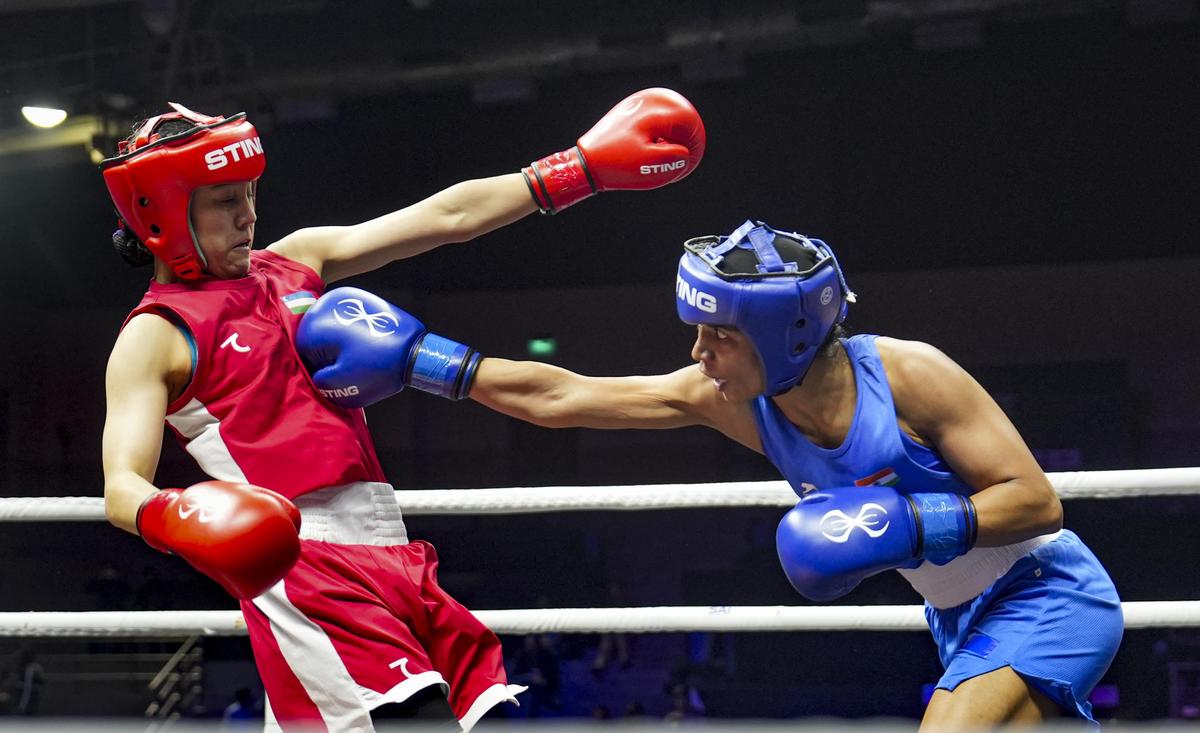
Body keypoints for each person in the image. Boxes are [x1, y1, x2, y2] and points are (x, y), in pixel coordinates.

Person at [300, 220, 1124, 729]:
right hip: (958, 618)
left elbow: (1037, 501)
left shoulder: (913, 376)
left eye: (717, 336)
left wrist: (911, 522)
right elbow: (565, 395)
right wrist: (429, 361)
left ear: (783, 331)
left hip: (1046, 595)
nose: (698, 354)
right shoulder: (730, 398)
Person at [99, 89, 706, 732]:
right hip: (299, 560)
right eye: (226, 201)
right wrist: (184, 513)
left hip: (393, 549)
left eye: (250, 193)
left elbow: (448, 215)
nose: (248, 215)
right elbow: (121, 487)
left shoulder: (296, 262)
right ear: (161, 212)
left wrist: (574, 170)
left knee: (488, 719)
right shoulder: (156, 334)